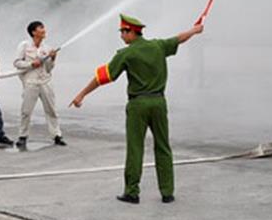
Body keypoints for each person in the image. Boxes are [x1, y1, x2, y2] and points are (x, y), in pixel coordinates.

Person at [70, 14, 204, 204]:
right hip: (159, 103)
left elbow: (103, 77)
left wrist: (82, 94)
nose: (121, 36)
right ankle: (167, 192)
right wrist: (194, 30)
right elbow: (179, 38)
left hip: (138, 105)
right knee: (163, 146)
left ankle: (132, 192)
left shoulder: (126, 54)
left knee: (135, 148)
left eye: (123, 32)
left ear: (131, 32)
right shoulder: (158, 46)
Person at [13, 21, 64, 150]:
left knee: (51, 109)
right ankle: (22, 136)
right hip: (31, 82)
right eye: (41, 28)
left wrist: (53, 58)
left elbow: (49, 68)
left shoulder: (47, 48)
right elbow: (17, 63)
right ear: (33, 32)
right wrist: (31, 64)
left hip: (45, 81)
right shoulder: (24, 46)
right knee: (26, 111)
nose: (44, 30)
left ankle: (56, 135)